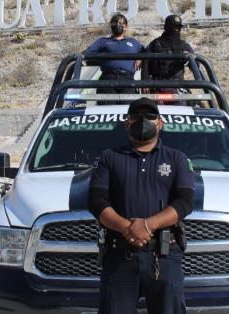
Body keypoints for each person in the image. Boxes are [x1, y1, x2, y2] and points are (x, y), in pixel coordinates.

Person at [88, 97, 194, 314]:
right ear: (127, 123)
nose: (143, 120)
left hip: (164, 256)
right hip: (119, 256)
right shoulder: (109, 158)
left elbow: (185, 202)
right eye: (136, 116)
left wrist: (148, 225)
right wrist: (127, 228)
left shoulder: (177, 159)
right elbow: (96, 201)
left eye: (150, 116)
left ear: (160, 123)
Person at [84, 13, 144, 102]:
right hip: (108, 79)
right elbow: (86, 53)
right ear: (111, 26)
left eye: (121, 24)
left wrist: (141, 58)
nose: (117, 26)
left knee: (127, 110)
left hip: (127, 79)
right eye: (115, 23)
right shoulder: (103, 41)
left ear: (126, 27)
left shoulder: (134, 42)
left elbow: (147, 52)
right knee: (107, 109)